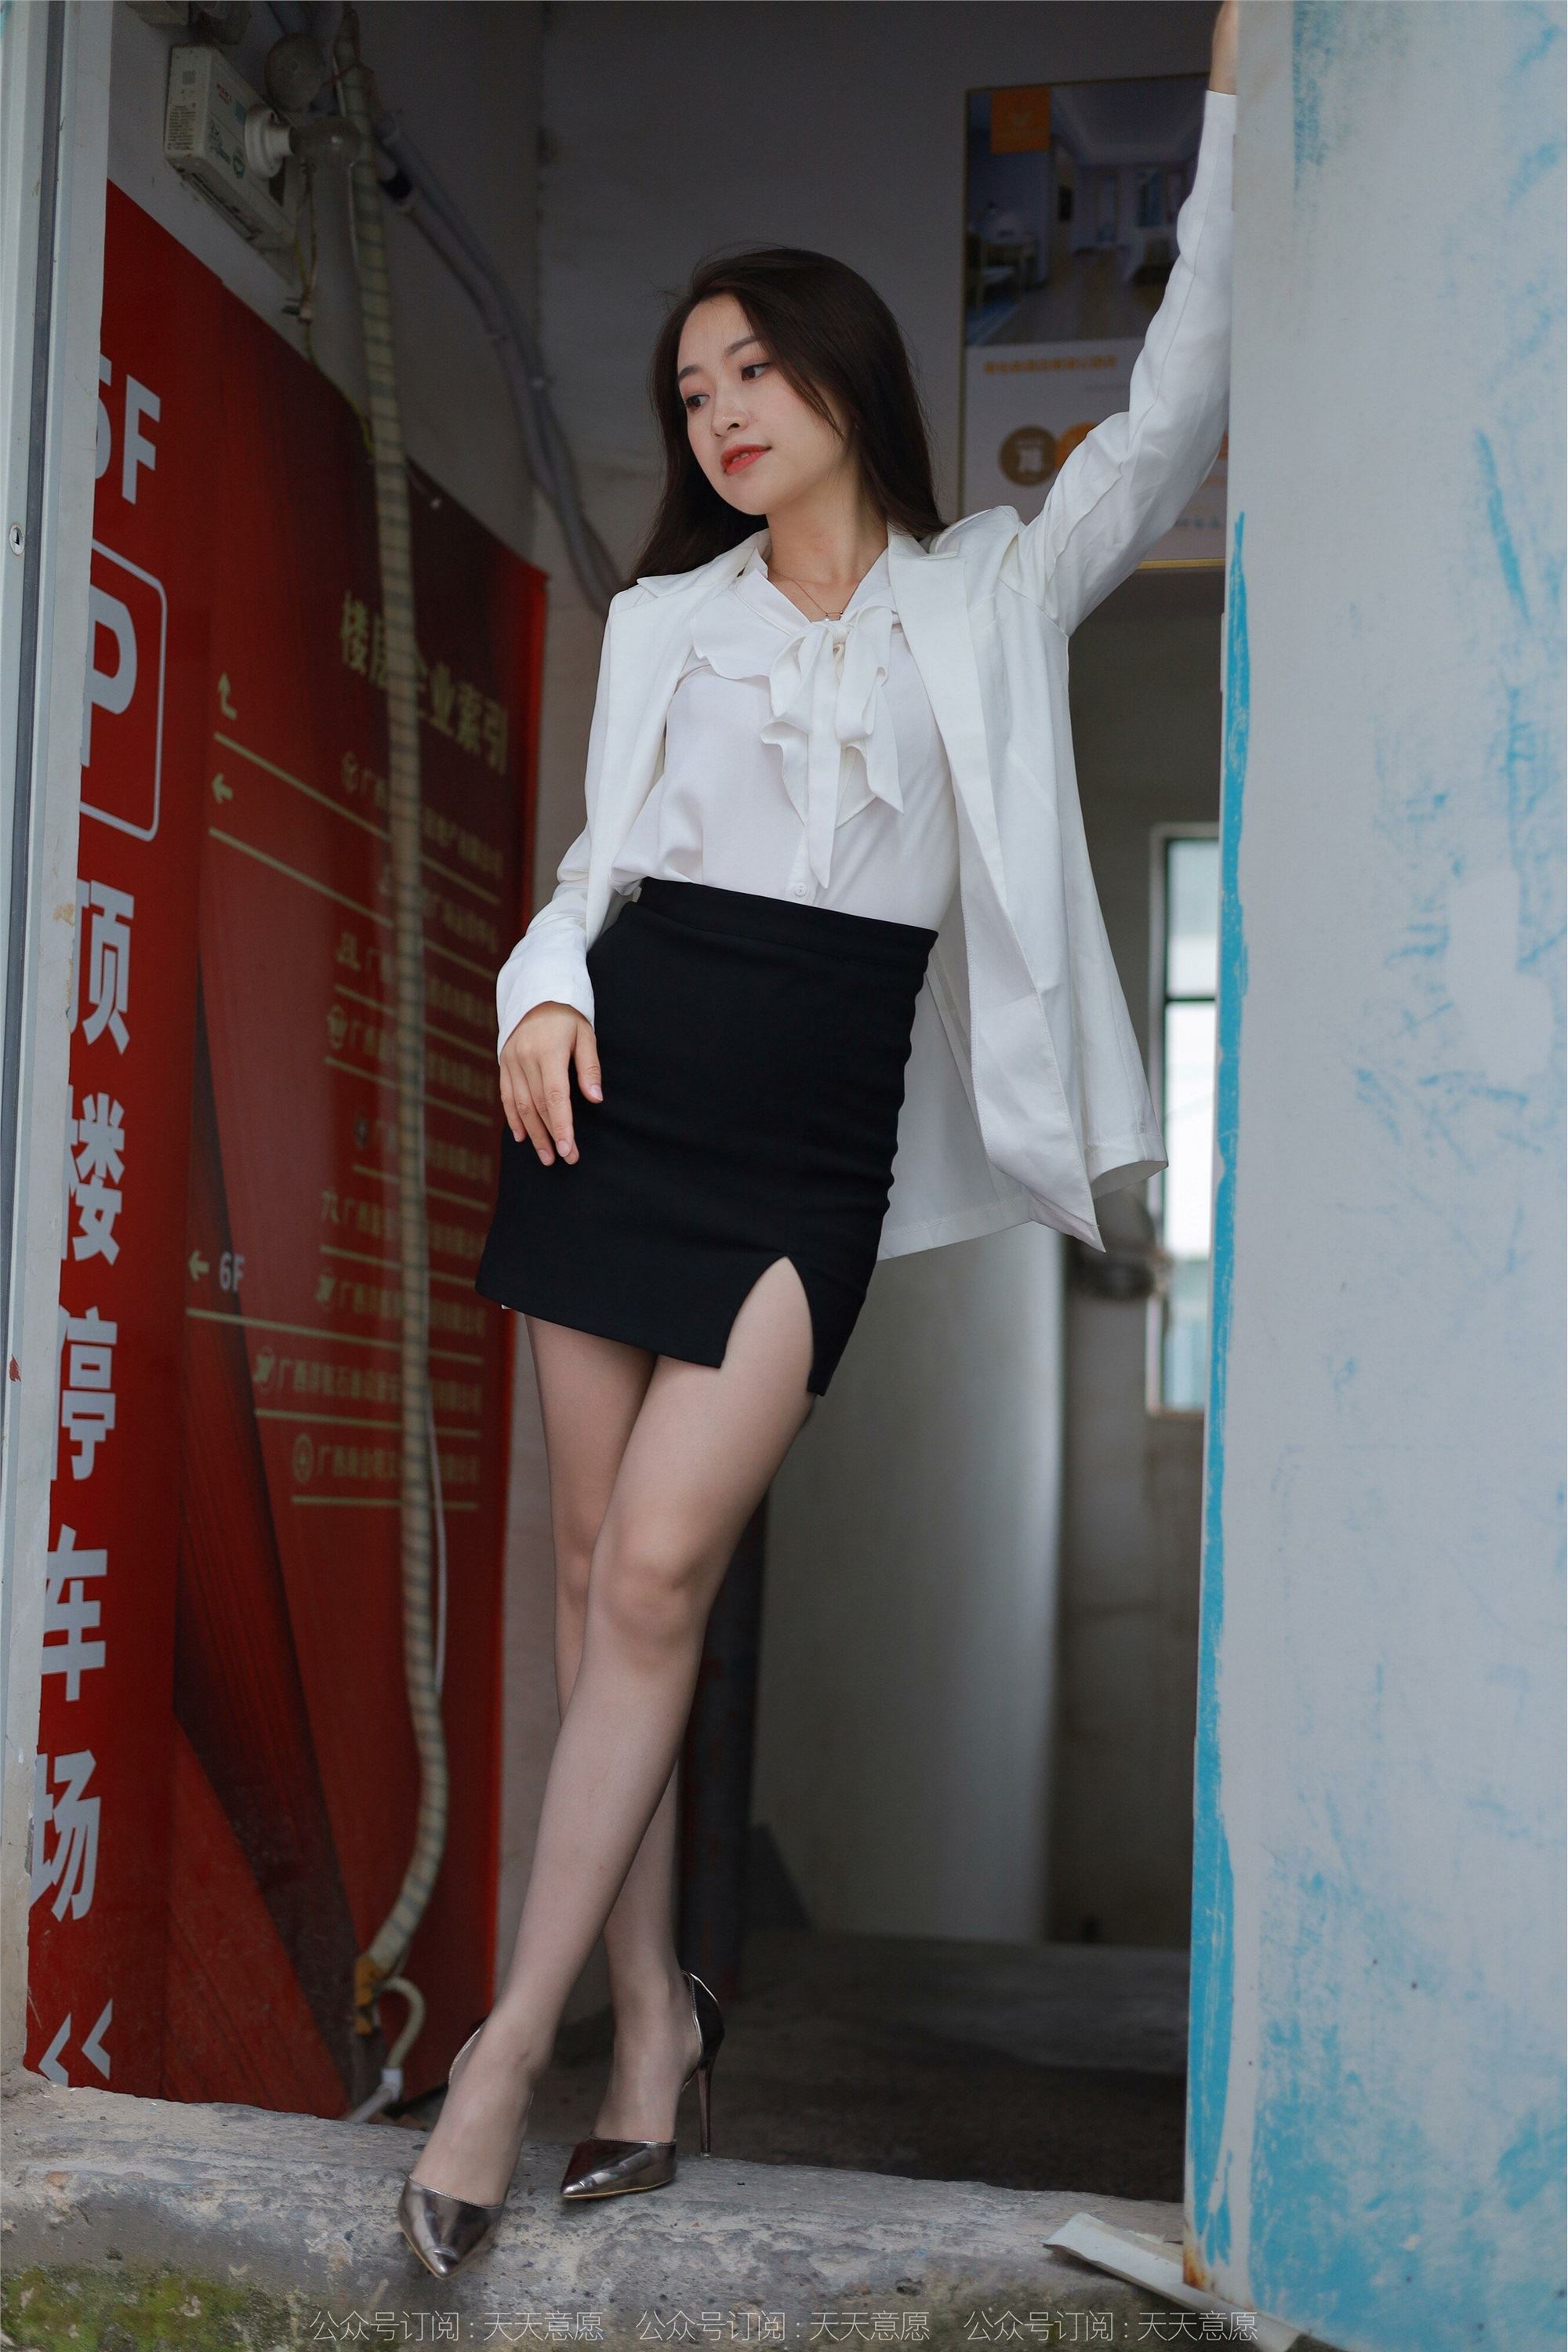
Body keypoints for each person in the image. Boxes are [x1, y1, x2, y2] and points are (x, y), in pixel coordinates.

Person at [399, 0, 1238, 2279]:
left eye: (752, 366)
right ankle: (651, 2027)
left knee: (658, 1572)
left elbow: (1174, 411)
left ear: (846, 372)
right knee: (599, 1582)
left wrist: (1237, 108)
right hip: (617, 1099)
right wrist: (539, 987)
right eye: (691, 390)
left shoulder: (994, 591)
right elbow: (600, 872)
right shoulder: (665, 620)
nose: (721, 411)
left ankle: (505, 2050)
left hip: (804, 1140)